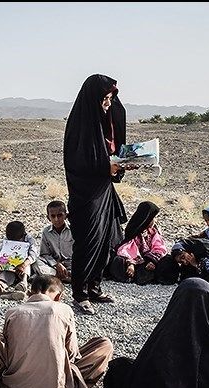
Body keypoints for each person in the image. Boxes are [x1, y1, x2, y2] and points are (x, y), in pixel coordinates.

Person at [0, 275, 113, 388]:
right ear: (59, 297)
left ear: (29, 293)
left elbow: (6, 353)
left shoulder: (12, 312)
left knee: (0, 338)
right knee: (104, 345)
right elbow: (72, 354)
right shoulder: (64, 310)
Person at [63, 74, 130, 315]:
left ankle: (94, 287)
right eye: (104, 99)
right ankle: (80, 294)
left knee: (104, 243)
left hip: (104, 192)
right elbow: (77, 164)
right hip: (86, 196)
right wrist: (106, 167)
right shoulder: (80, 127)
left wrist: (120, 165)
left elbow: (107, 157)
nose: (108, 104)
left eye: (110, 99)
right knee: (88, 243)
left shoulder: (102, 126)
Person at [109, 201, 168, 284]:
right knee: (118, 261)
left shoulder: (153, 232)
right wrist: (131, 264)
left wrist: (151, 261)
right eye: (152, 218)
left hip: (150, 259)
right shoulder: (134, 230)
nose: (154, 221)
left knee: (167, 260)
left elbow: (159, 247)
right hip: (135, 260)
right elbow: (127, 249)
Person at [0, 221, 38, 295]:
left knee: (26, 262)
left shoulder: (30, 240)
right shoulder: (7, 239)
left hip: (24, 266)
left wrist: (23, 265)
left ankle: (23, 283)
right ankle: (2, 286)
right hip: (10, 266)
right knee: (5, 275)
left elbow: (33, 255)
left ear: (23, 235)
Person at [36, 200, 74, 281]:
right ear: (48, 218)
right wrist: (56, 264)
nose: (56, 219)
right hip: (54, 265)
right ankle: (60, 276)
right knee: (36, 261)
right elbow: (44, 254)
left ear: (66, 216)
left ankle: (58, 277)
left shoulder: (73, 230)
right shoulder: (46, 232)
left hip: (72, 264)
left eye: (59, 215)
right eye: (53, 216)